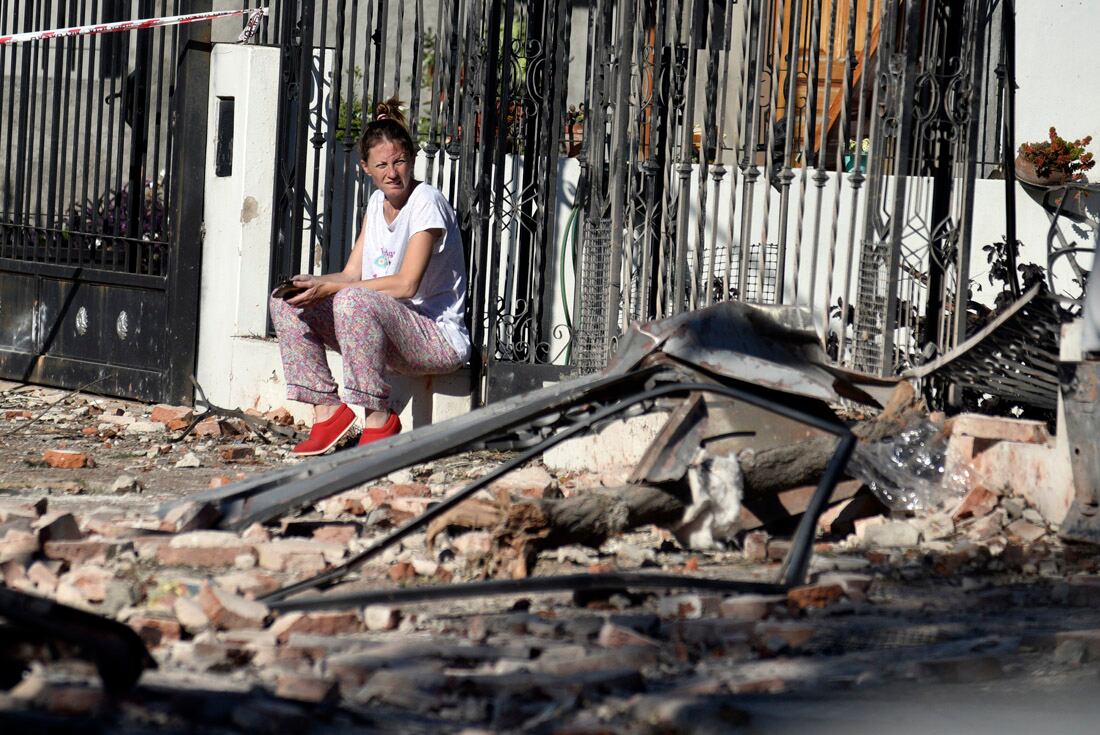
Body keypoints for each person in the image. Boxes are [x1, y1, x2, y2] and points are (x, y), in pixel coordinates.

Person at [269, 98, 470, 455]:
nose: (392, 172)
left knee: (351, 299)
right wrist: (313, 282)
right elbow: (350, 274)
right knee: (286, 303)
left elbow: (407, 284)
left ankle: (378, 419)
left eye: (399, 162)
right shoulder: (376, 204)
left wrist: (333, 289)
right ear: (366, 168)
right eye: (382, 165)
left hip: (436, 338)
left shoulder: (427, 201)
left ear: (411, 159)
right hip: (387, 329)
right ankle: (327, 412)